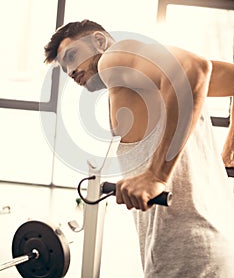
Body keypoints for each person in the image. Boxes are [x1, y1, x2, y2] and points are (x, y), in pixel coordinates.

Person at [44, 19, 234, 277]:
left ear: (99, 42)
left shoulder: (112, 58)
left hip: (187, 255)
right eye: (63, 67)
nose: (70, 71)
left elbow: (193, 68)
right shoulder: (145, 78)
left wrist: (157, 175)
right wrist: (229, 152)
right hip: (213, 246)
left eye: (72, 55)